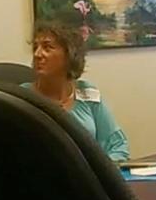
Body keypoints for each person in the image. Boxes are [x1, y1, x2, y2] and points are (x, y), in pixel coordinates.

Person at [25, 21, 130, 162]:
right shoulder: (22, 97)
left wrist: (101, 174)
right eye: (35, 47)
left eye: (47, 47)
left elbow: (118, 145)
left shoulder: (87, 93)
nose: (37, 54)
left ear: (69, 55)